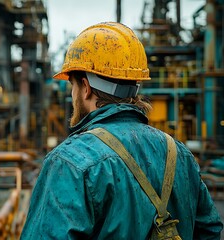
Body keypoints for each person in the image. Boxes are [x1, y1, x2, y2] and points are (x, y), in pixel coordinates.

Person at [20, 22, 223, 239]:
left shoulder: (70, 163)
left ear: (85, 87)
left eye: (73, 86)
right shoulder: (180, 155)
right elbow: (209, 230)